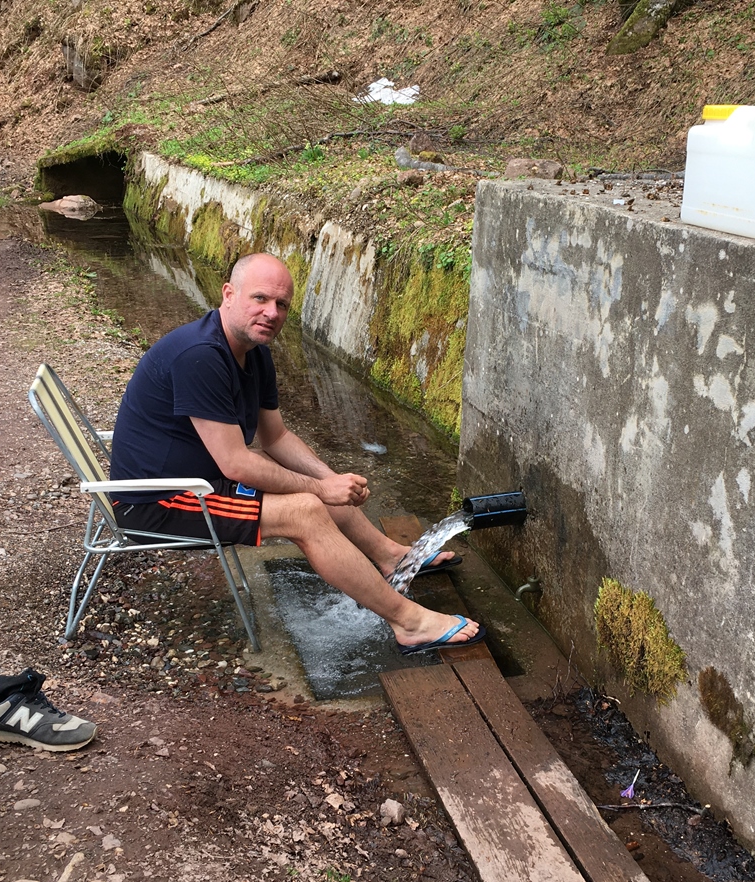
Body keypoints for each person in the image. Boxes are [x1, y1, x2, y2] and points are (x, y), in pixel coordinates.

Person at [108, 252, 485, 653]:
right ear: (229, 294)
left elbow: (275, 438)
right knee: (305, 510)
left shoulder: (254, 351)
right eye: (260, 299)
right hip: (157, 502)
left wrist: (330, 481)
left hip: (202, 485)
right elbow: (236, 462)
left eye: (281, 304)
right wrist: (320, 492)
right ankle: (409, 622)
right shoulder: (200, 355)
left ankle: (389, 555)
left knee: (318, 487)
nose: (271, 313)